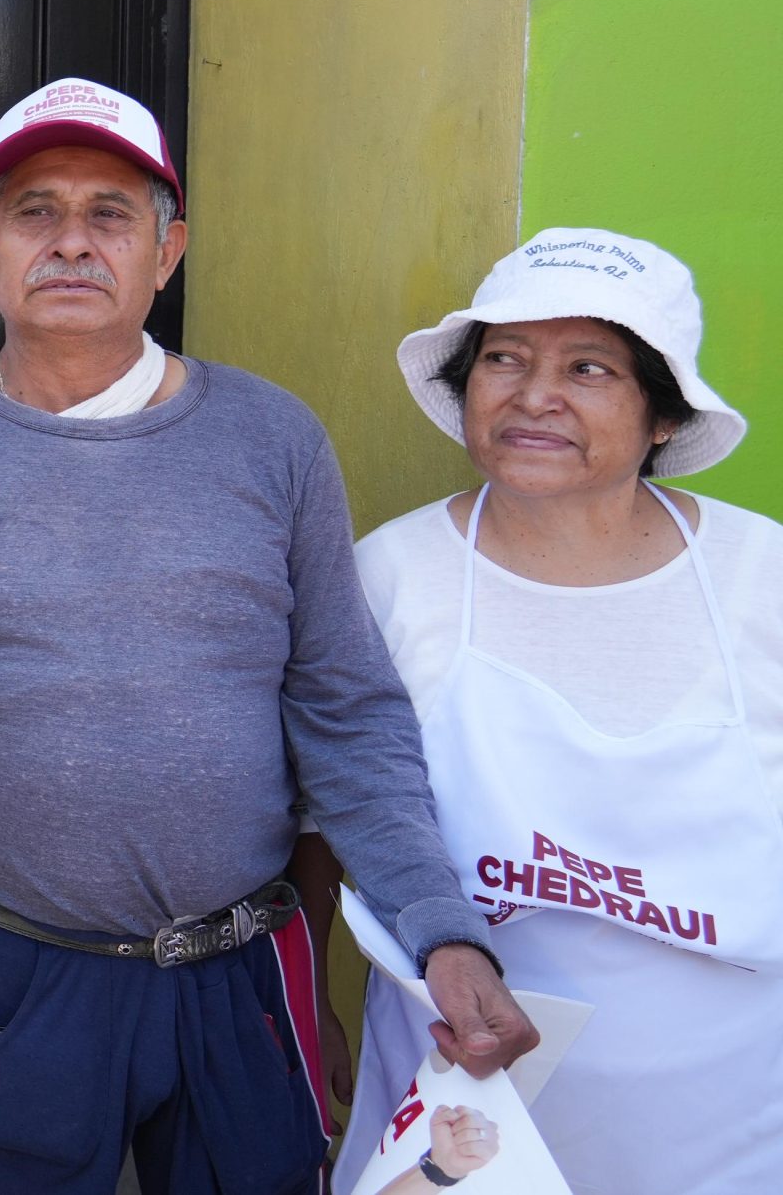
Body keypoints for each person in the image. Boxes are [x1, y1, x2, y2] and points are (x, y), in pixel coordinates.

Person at [0, 77, 540, 1194]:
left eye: (111, 212)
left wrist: (441, 931)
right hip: (10, 975)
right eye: (36, 211)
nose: (72, 241)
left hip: (241, 967)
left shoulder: (272, 440)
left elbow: (346, 713)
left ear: (167, 248)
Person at [319, 228, 782, 1194]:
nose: (536, 396)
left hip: (733, 1108)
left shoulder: (761, 577)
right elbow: (330, 809)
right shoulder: (393, 575)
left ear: (662, 415)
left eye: (588, 368)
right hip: (462, 1104)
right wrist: (310, 999)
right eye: (503, 360)